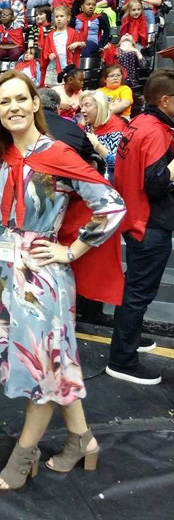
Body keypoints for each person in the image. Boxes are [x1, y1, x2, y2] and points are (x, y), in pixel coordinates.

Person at [0, 70, 126, 490]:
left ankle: (23, 456)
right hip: (6, 273)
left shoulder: (58, 153)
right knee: (54, 362)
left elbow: (111, 206)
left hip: (41, 278)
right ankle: (83, 440)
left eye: (20, 99)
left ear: (35, 104)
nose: (13, 107)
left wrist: (71, 250)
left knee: (40, 368)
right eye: (4, 101)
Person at [107, 68, 174, 385]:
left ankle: (128, 338)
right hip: (149, 223)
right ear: (165, 100)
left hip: (135, 219)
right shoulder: (156, 131)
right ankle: (123, 359)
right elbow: (157, 183)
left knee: (134, 289)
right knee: (138, 293)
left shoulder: (138, 123)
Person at [39, 87, 97, 165]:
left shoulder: (23, 127)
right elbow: (93, 157)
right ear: (57, 108)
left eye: (87, 105)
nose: (83, 110)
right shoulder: (74, 129)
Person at [80, 90, 125, 182]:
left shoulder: (117, 127)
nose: (82, 110)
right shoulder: (85, 125)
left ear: (100, 107)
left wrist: (97, 145)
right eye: (82, 106)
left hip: (108, 180)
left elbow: (117, 163)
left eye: (87, 105)